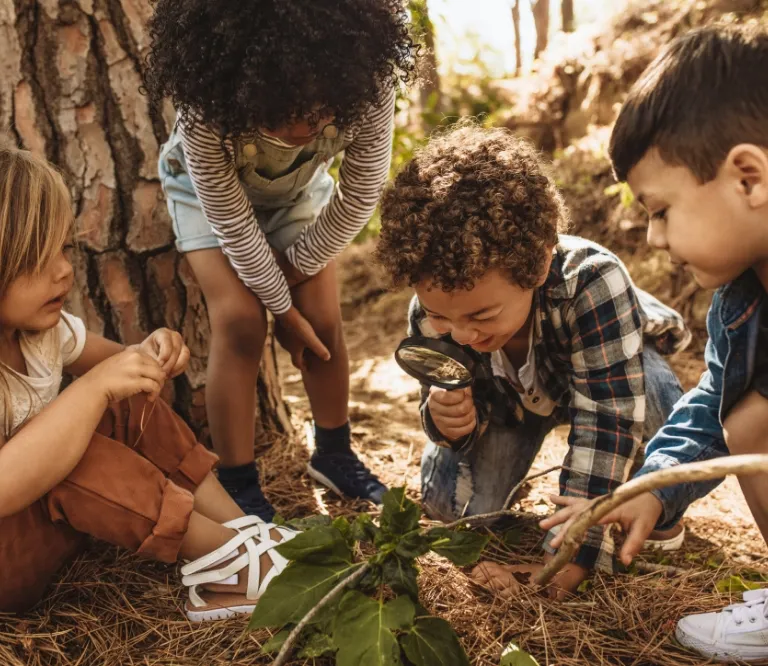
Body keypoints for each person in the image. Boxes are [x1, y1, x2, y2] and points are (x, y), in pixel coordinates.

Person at [374, 124, 691, 599]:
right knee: (450, 506)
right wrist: (450, 424)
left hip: (603, 375)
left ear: (539, 265)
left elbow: (607, 417)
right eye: (442, 316)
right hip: (509, 406)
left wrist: (575, 549)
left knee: (657, 395)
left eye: (482, 314)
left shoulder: (593, 281)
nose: (462, 334)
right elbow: (438, 400)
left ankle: (654, 504)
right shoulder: (432, 312)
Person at [541, 24, 768, 662]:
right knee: (745, 415)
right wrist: (652, 485)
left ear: (748, 179)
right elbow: (707, 407)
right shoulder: (741, 303)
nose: (654, 238)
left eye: (661, 210)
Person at [143, 0, 418, 519]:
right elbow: (231, 222)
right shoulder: (208, 107)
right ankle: (239, 481)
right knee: (242, 321)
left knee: (323, 320)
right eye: (282, 112)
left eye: (318, 114)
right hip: (206, 199)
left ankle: (335, 455)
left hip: (296, 196)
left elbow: (359, 196)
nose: (300, 130)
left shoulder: (370, 81)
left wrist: (291, 280)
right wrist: (279, 309)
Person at [0, 148, 295, 621]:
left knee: (126, 399)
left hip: (50, 532)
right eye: (38, 258)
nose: (64, 270)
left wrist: (153, 351)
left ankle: (243, 532)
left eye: (63, 249)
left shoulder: (42, 333)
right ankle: (233, 565)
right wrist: (91, 389)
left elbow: (126, 369)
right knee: (74, 447)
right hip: (7, 562)